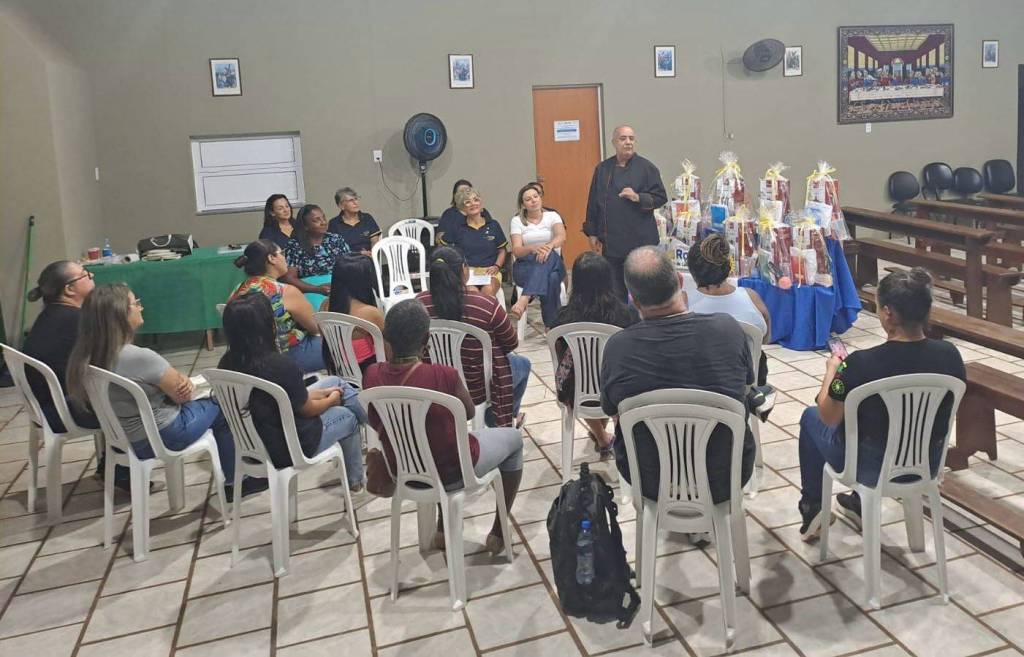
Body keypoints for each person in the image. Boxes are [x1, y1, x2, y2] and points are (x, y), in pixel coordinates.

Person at [796, 268, 966, 541]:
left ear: (888, 314)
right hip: (928, 462)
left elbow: (829, 416)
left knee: (810, 417)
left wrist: (832, 372)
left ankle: (812, 507)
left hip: (869, 467)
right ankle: (857, 503)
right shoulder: (950, 355)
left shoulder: (860, 363)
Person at [66, 284, 265, 502]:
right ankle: (237, 481)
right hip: (162, 435)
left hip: (122, 439)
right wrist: (179, 386)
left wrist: (174, 385)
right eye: (135, 304)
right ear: (120, 315)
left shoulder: (87, 355)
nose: (141, 308)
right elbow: (183, 396)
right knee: (224, 405)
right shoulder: (140, 357)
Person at [363, 299, 523, 554]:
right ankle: (498, 531)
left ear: (386, 340)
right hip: (454, 472)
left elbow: (374, 420)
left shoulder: (372, 375)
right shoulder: (443, 375)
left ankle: (441, 526)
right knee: (514, 439)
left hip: (403, 471)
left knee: (431, 442)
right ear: (427, 340)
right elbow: (469, 412)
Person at [600, 247, 754, 503]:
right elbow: (747, 385)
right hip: (727, 474)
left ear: (634, 300)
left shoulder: (618, 348)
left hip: (650, 479)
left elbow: (610, 409)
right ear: (681, 282)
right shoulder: (727, 330)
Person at [219, 293, 367, 492]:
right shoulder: (279, 365)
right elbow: (308, 410)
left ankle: (381, 426)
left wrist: (324, 393)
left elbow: (286, 399)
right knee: (348, 417)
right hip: (290, 446)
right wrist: (332, 400)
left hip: (256, 441)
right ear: (268, 326)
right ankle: (357, 479)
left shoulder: (226, 364)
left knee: (335, 382)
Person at [417, 247, 530, 428]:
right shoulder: (486, 304)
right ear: (464, 270)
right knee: (522, 364)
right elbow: (511, 343)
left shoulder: (419, 304)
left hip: (435, 381)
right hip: (478, 386)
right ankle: (499, 419)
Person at [552, 252, 639, 455]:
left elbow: (559, 354)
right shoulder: (625, 315)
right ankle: (606, 436)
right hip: (616, 389)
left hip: (575, 393)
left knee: (579, 378)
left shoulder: (563, 318)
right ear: (608, 279)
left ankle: (601, 436)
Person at [583, 125, 668, 300]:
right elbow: (593, 202)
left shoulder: (647, 168)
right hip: (612, 244)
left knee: (644, 290)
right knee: (615, 291)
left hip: (641, 242)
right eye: (623, 138)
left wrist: (638, 197)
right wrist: (592, 233)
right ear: (614, 142)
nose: (628, 142)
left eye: (631, 138)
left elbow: (661, 197)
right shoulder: (603, 169)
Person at [687, 234, 772, 386]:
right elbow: (764, 339)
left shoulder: (684, 305)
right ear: (728, 267)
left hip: (697, 386)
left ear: (692, 271)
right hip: (743, 385)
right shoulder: (752, 298)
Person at [230, 240, 326, 373]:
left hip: (247, 359)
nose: (285, 258)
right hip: (285, 358)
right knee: (340, 345)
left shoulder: (239, 289)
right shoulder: (285, 291)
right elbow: (315, 327)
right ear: (271, 258)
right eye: (282, 253)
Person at [509, 183, 566, 328]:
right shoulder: (517, 220)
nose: (533, 200)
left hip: (553, 262)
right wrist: (532, 248)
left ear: (540, 198)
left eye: (535, 196)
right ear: (523, 205)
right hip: (525, 266)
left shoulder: (552, 216)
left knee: (550, 254)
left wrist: (548, 247)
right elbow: (516, 250)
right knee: (552, 278)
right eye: (528, 199)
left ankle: (524, 298)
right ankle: (551, 326)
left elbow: (561, 236)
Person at [320, 253, 385, 375]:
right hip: (368, 370)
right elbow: (387, 347)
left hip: (338, 368)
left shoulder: (324, 307)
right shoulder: (371, 313)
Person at [440, 187, 506, 297]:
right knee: (472, 293)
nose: (473, 204)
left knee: (488, 290)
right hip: (467, 273)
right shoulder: (457, 227)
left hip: (490, 272)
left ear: (481, 203)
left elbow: (502, 250)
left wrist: (496, 266)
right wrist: (459, 269)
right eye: (468, 202)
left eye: (476, 200)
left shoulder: (493, 225)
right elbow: (445, 249)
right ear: (462, 208)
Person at [282, 204, 351, 294]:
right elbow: (289, 278)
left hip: (339, 288)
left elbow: (350, 267)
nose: (323, 222)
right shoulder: (295, 245)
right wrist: (316, 289)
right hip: (309, 291)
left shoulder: (336, 239)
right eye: (316, 220)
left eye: (323, 218)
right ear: (305, 226)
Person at [437, 179, 494, 245]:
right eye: (461, 192)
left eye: (467, 191)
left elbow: (492, 232)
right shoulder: (449, 214)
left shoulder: (482, 211)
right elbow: (439, 239)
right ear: (455, 196)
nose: (464, 195)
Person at [327, 187, 380, 257]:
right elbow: (334, 249)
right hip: (346, 259)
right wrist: (358, 253)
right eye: (351, 200)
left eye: (356, 199)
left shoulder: (367, 218)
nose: (355, 203)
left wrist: (372, 254)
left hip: (368, 258)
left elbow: (375, 242)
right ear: (341, 206)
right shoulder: (334, 223)